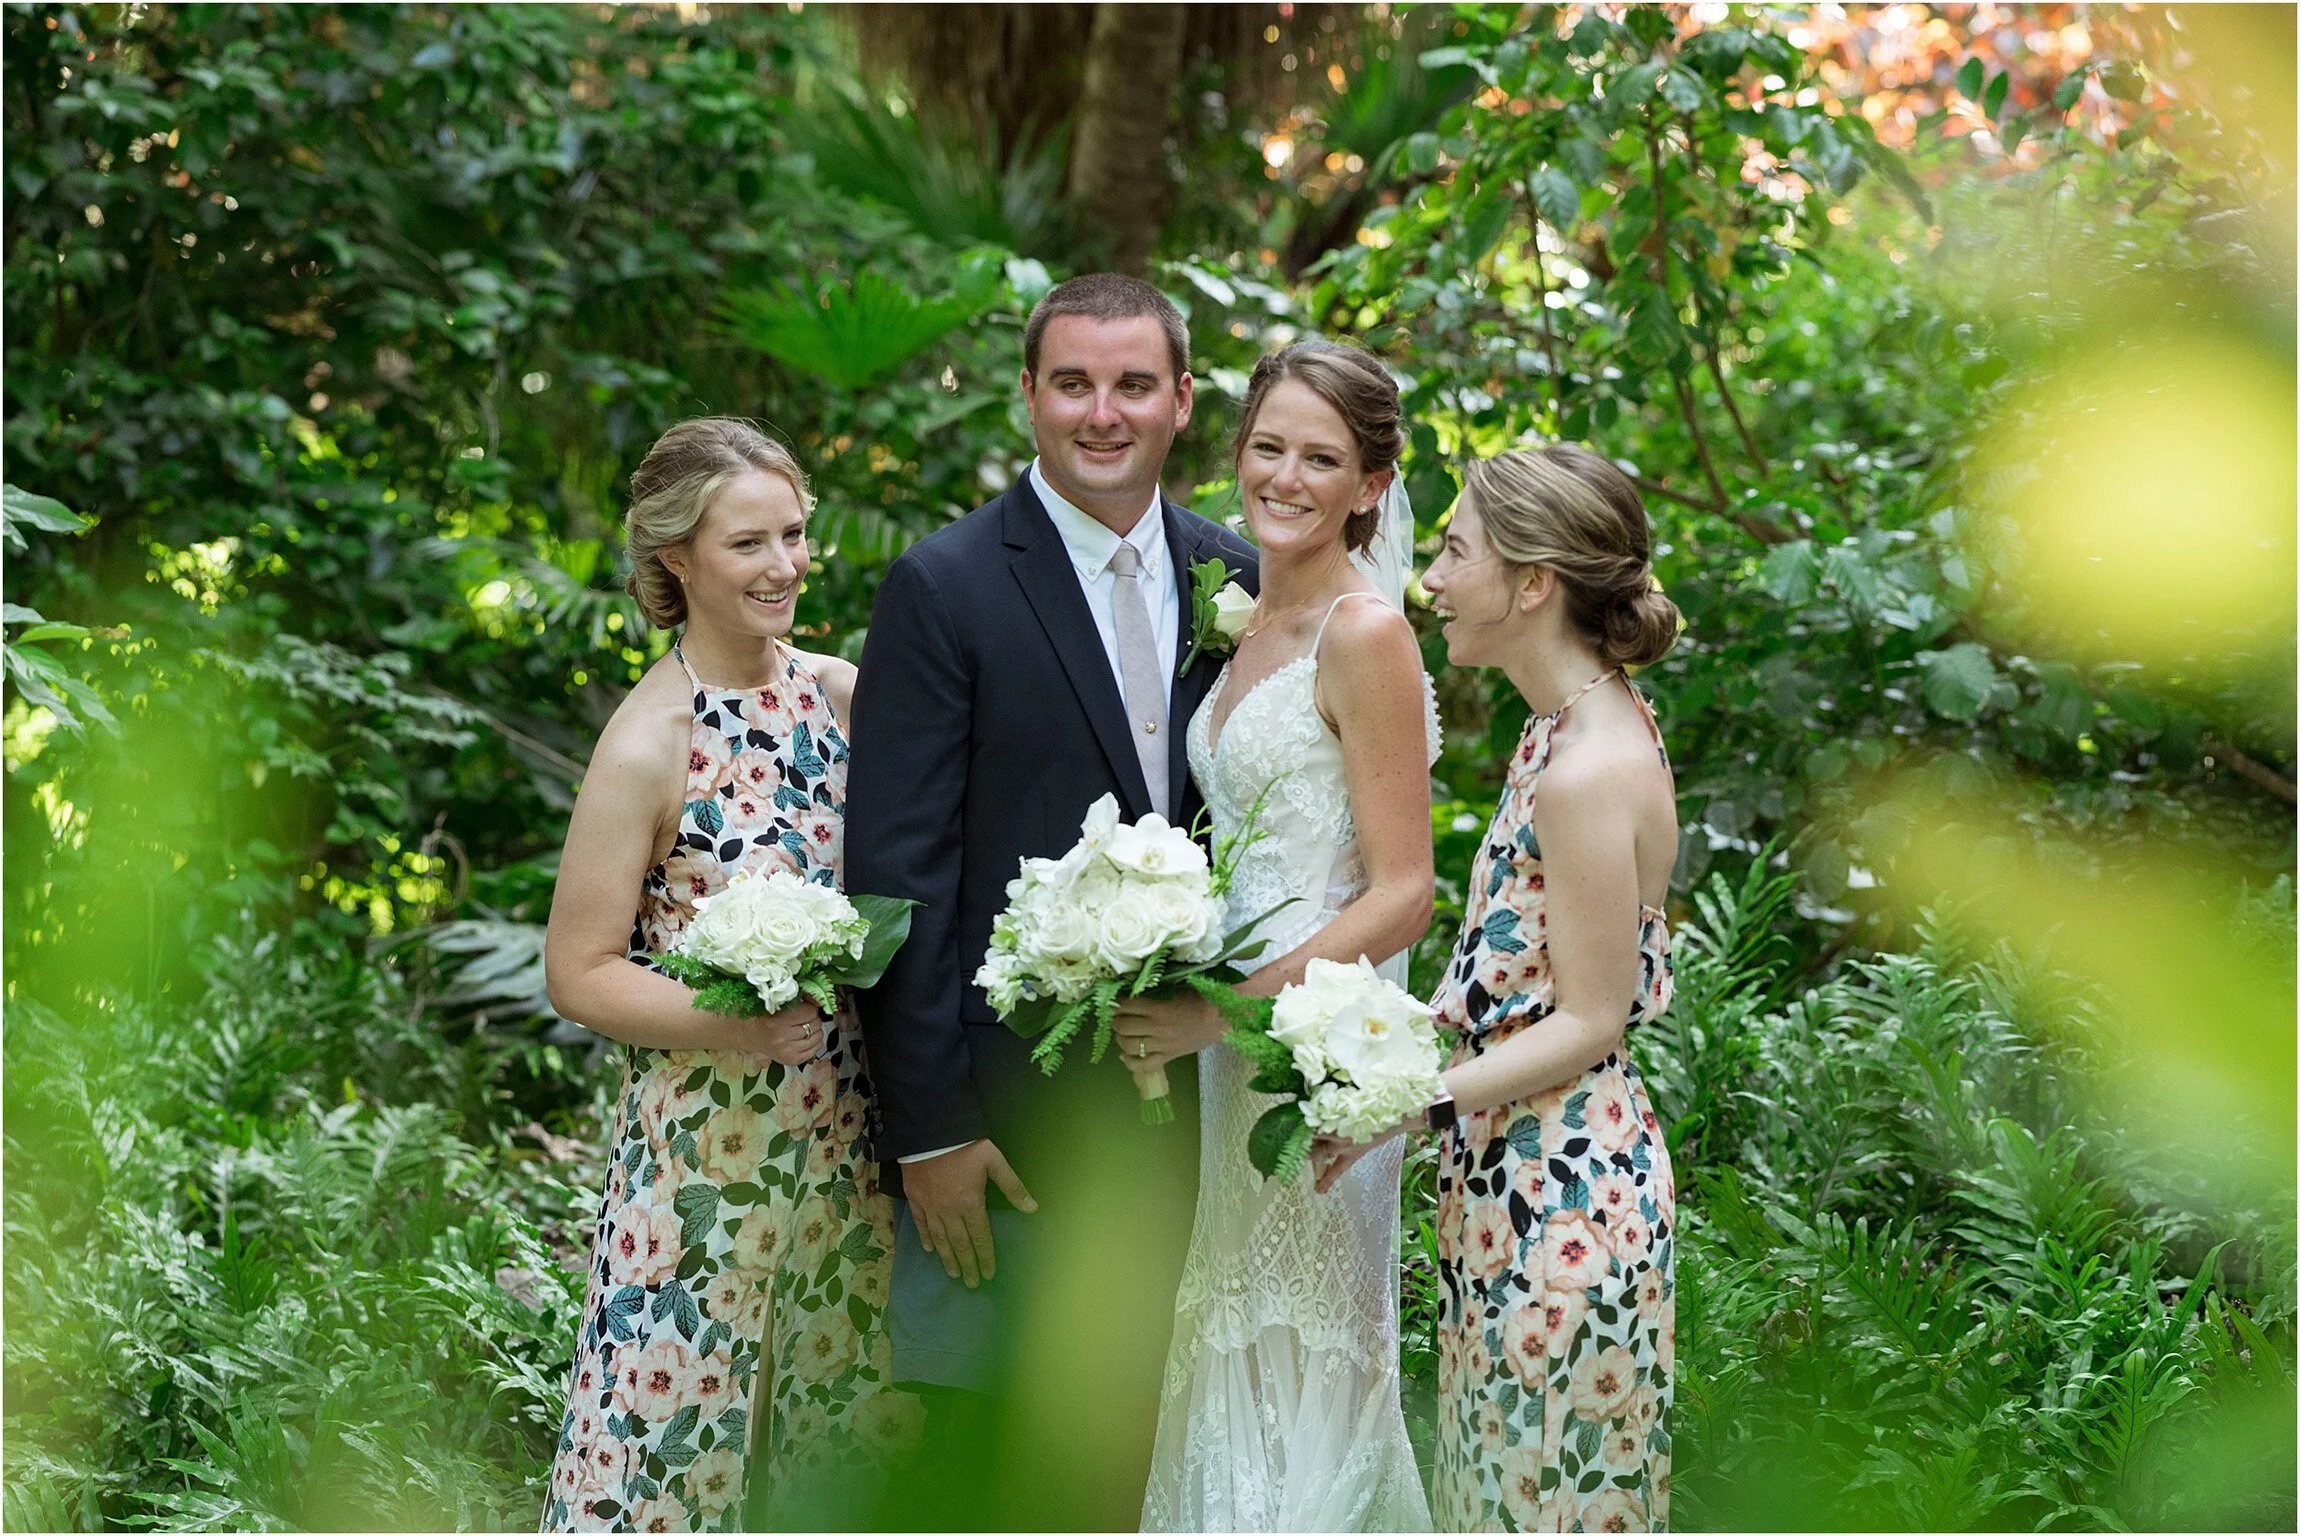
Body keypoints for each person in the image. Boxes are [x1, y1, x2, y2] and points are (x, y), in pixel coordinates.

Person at [844, 274, 1259, 1530]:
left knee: (1152, 1453)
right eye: (1071, 383)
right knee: (1002, 1475)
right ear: (1028, 395)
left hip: (1198, 1111)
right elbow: (892, 881)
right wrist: (927, 1133)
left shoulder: (1236, 580)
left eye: (1132, 384)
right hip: (1006, 1123)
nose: (1101, 412)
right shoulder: (945, 585)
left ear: (1181, 401)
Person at [539, 418, 910, 1534]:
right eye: (749, 544)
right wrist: (737, 1025)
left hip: (848, 1144)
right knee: (663, 1459)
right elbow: (580, 972)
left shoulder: (844, 697)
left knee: (842, 1449)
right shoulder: (649, 743)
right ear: (676, 562)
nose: (785, 566)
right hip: (702, 1159)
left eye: (794, 536)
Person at [1313, 444, 1683, 1533]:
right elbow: (1514, 982)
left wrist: (1408, 1105)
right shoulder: (1558, 728)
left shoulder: (1581, 771)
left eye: (1451, 552)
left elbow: (1588, 1018)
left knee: (1542, 1507)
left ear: (1531, 584)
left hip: (1564, 1192)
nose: (1427, 578)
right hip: (1510, 1184)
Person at [1114, 340, 1438, 1532]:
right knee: (1231, 1329)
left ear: (1368, 485)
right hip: (1225, 1054)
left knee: (1304, 1347)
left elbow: (1403, 888)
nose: (1284, 478)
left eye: (1321, 458)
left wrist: (1222, 1007)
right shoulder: (1244, 616)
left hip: (1309, 1043)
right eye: (1266, 448)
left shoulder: (1363, 633)